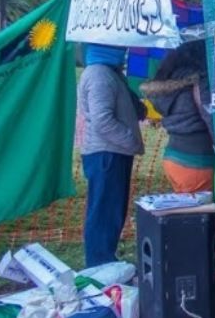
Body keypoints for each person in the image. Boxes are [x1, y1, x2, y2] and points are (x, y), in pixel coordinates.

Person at [78, 44, 146, 267]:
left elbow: (129, 108)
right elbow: (102, 121)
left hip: (112, 152)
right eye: (118, 46)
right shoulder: (99, 75)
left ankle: (104, 260)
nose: (123, 50)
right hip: (106, 154)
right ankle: (99, 265)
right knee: (104, 213)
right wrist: (131, 140)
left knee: (113, 211)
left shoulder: (110, 72)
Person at [140, 40, 215, 193]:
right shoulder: (200, 81)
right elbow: (210, 117)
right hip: (197, 161)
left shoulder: (166, 84)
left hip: (172, 157)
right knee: (198, 215)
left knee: (186, 211)